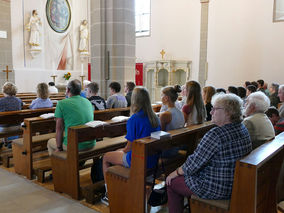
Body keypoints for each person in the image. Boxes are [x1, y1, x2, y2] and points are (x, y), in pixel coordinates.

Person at [166, 93, 252, 213]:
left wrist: (174, 173)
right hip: (234, 184)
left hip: (216, 188)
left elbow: (193, 165)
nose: (211, 112)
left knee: (171, 182)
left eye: (215, 109)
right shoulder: (242, 128)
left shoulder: (216, 134)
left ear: (228, 112)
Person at [102, 87, 160, 205]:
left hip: (137, 159)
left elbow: (129, 147)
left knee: (106, 158)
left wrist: (121, 150)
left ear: (135, 101)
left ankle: (109, 194)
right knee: (117, 153)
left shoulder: (134, 119)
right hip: (153, 158)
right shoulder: (155, 117)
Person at [47, 80, 95, 155]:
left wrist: (59, 147)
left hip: (74, 145)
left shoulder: (62, 103)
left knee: (50, 142)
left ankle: (58, 164)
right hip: (90, 143)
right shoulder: (88, 102)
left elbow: (59, 128)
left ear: (68, 90)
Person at [0, 82, 22, 148]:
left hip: (4, 128)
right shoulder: (18, 100)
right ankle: (9, 142)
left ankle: (4, 142)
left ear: (4, 90)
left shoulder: (1, 101)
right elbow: (22, 105)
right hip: (17, 126)